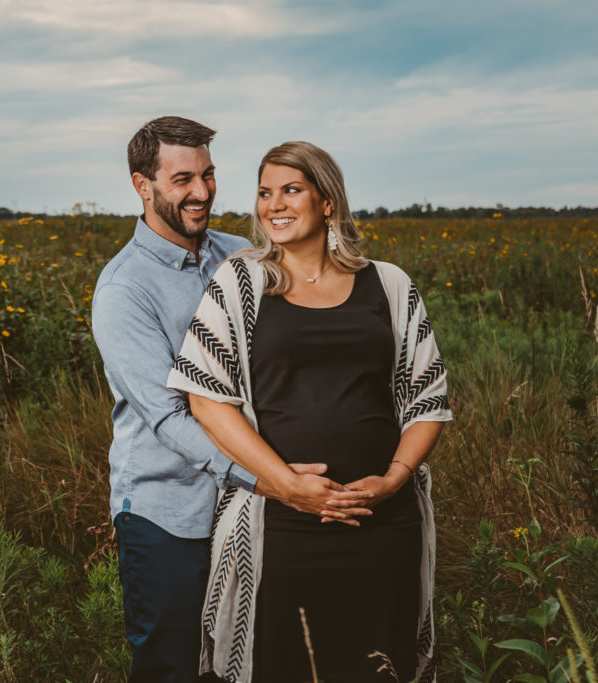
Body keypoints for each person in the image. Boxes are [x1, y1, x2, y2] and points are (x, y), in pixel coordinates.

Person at [92, 120, 373, 682]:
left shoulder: (240, 257)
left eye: (209, 175)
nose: (201, 192)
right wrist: (276, 482)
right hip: (170, 515)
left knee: (246, 661)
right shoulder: (125, 291)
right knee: (174, 666)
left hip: (253, 510)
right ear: (142, 186)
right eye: (182, 180)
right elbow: (170, 417)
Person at [168, 141, 452, 682]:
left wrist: (394, 479)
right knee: (280, 663)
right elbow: (205, 397)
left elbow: (428, 399)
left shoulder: (389, 284)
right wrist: (285, 484)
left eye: (291, 190)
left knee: (378, 664)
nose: (274, 205)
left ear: (327, 202)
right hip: (282, 526)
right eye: (264, 193)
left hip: (383, 523)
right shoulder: (239, 282)